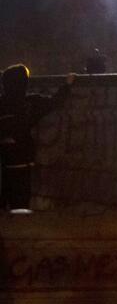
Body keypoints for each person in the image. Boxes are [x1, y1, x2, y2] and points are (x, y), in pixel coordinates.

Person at [0, 65, 74, 210]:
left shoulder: (3, 103)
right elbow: (54, 102)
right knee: (20, 201)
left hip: (4, 160)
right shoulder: (29, 103)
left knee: (5, 198)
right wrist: (67, 85)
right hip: (22, 158)